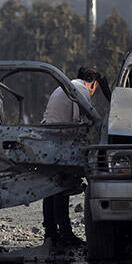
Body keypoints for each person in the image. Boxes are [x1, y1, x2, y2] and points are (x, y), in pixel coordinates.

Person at [40, 66, 100, 247]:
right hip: (60, 140)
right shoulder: (81, 90)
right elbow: (79, 120)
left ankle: (51, 234)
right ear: (93, 84)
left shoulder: (65, 86)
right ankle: (65, 235)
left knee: (50, 189)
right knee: (62, 188)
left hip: (48, 137)